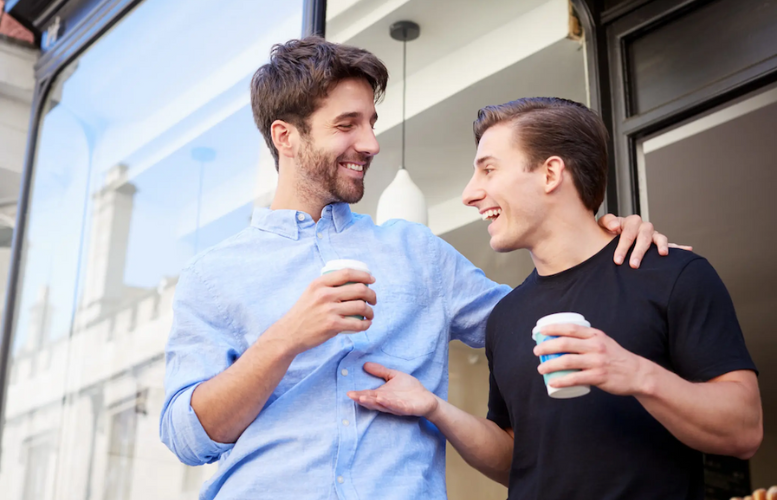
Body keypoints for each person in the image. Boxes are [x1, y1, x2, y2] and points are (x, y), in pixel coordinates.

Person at [160, 38, 672, 500]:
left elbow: (538, 320)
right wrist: (286, 338)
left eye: (370, 123)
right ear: (285, 136)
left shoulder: (417, 254)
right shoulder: (213, 275)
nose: (371, 144)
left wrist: (596, 234)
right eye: (346, 125)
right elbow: (188, 438)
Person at [348, 97, 763, 500]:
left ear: (550, 174)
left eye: (488, 170)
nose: (470, 193)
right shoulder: (507, 317)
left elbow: (744, 431)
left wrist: (635, 373)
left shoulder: (672, 276)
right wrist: (435, 408)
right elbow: (518, 460)